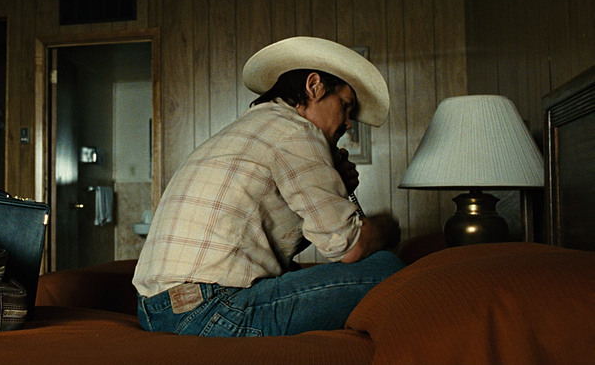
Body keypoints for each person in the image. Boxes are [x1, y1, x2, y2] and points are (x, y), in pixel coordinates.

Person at [132, 36, 404, 337]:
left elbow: (274, 242)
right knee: (385, 267)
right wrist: (389, 227)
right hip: (212, 309)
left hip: (156, 311)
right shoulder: (297, 132)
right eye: (345, 105)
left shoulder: (251, 127)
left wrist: (335, 186)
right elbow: (349, 248)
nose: (348, 122)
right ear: (314, 87)